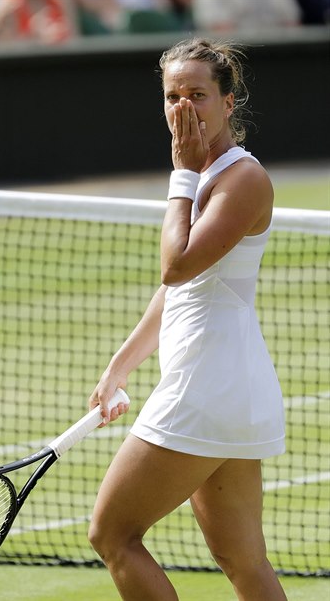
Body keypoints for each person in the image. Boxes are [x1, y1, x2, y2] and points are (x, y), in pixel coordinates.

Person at [88, 37, 287, 601]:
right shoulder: (208, 177)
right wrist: (120, 366)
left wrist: (181, 174)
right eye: (173, 96)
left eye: (198, 94)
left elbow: (175, 267)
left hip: (208, 391)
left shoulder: (241, 181)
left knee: (112, 535)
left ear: (229, 102)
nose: (184, 109)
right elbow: (181, 292)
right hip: (230, 393)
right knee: (242, 559)